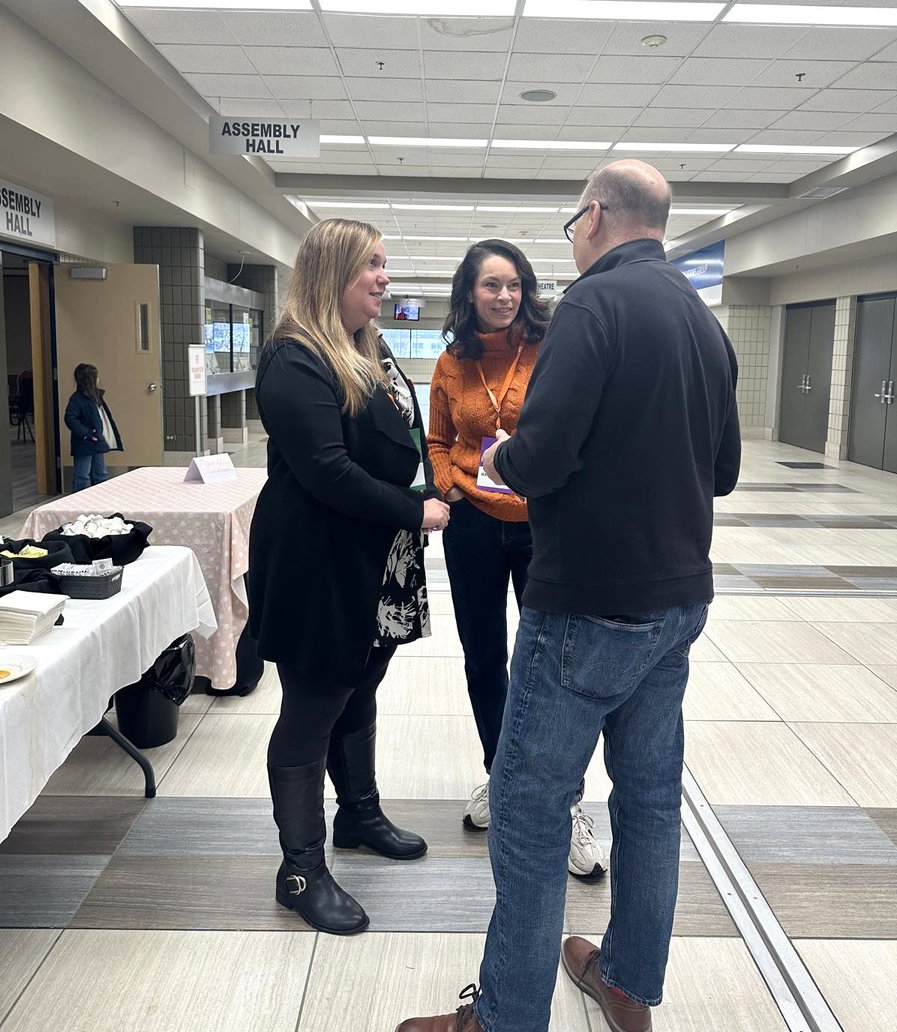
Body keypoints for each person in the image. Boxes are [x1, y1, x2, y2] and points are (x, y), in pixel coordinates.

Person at [396, 160, 741, 1032]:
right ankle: (627, 981)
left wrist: (504, 458)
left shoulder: (592, 302)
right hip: (676, 604)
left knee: (527, 805)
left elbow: (541, 457)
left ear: (593, 217)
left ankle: (507, 1017)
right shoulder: (704, 322)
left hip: (587, 605)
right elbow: (726, 471)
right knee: (650, 798)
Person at [246, 219, 450, 937]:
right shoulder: (295, 357)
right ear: (332, 270)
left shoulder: (369, 345)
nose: (384, 278)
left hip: (375, 559)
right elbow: (327, 470)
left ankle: (358, 816)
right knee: (311, 708)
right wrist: (413, 508)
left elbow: (392, 439)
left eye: (385, 265)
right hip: (319, 559)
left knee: (357, 686)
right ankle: (299, 869)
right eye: (372, 265)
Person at [428, 239, 607, 878]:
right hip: (473, 526)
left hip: (544, 527)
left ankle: (566, 804)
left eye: (513, 286)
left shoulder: (553, 349)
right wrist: (451, 485)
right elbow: (439, 438)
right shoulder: (452, 362)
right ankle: (500, 776)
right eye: (491, 287)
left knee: (555, 664)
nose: (504, 298)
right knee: (484, 657)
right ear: (469, 294)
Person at [64, 363, 123, 491]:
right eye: (96, 377)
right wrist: (86, 434)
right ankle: (77, 503)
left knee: (101, 474)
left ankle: (99, 499)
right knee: (82, 476)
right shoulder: (77, 399)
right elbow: (70, 419)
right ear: (90, 380)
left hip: (96, 441)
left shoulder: (95, 397)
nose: (98, 379)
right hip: (84, 442)